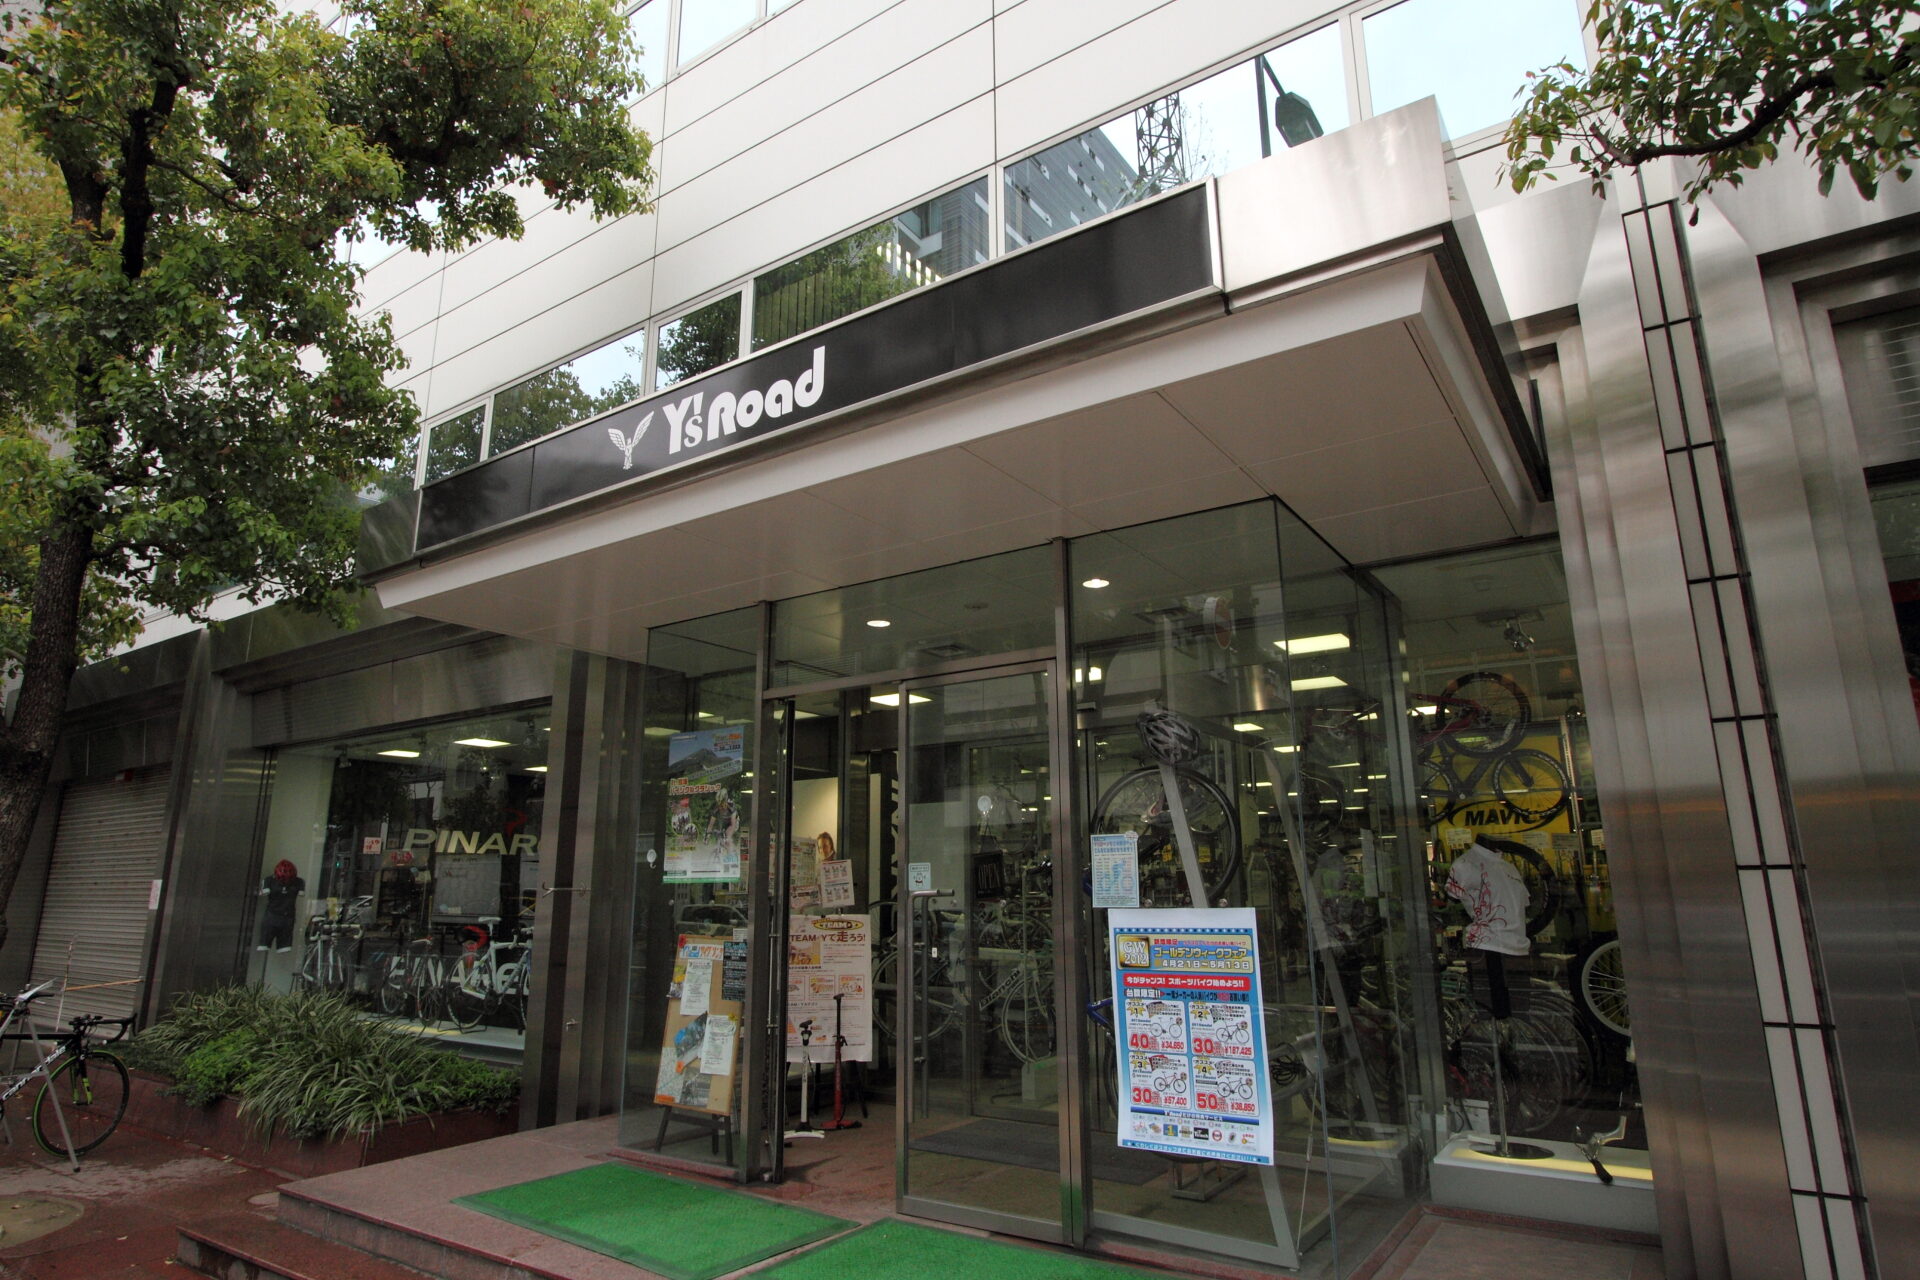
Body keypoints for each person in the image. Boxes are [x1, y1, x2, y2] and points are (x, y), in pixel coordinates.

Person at [258, 859, 305, 953]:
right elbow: (263, 892)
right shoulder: (269, 880)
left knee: (284, 946)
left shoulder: (299, 882)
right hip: (273, 916)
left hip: (286, 917)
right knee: (264, 943)